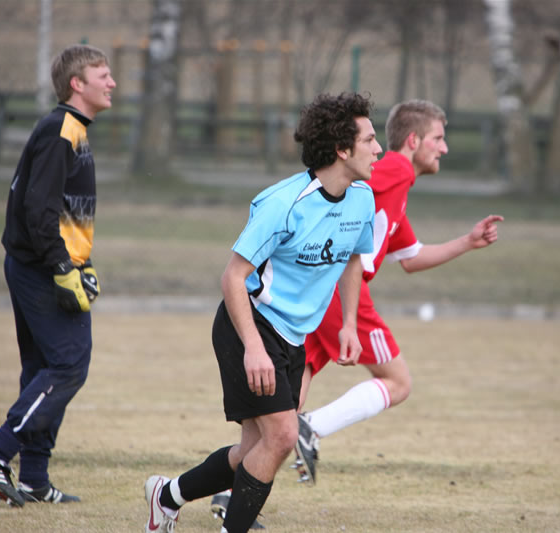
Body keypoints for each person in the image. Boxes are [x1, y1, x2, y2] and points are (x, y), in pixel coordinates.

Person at [143, 92, 381, 533]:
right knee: (283, 437)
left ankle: (166, 494)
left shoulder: (362, 199)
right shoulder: (282, 204)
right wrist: (253, 348)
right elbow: (233, 278)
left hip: (294, 339)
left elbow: (351, 259)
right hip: (249, 327)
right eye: (369, 139)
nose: (378, 147)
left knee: (255, 448)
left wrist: (347, 324)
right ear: (342, 150)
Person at [293, 99, 504, 484]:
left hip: (325, 289)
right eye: (438, 138)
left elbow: (411, 256)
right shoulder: (393, 169)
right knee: (399, 382)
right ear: (413, 140)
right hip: (343, 291)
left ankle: (233, 490)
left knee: (290, 399)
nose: (444, 148)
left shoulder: (398, 187)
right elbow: (343, 186)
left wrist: (468, 242)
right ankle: (312, 428)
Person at [0, 44, 116, 507]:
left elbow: (62, 211)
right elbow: (38, 209)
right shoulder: (60, 131)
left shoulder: (72, 130)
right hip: (40, 270)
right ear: (78, 84)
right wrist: (62, 267)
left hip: (42, 266)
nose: (112, 83)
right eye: (103, 75)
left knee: (41, 370)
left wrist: (80, 262)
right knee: (69, 366)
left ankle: (33, 477)